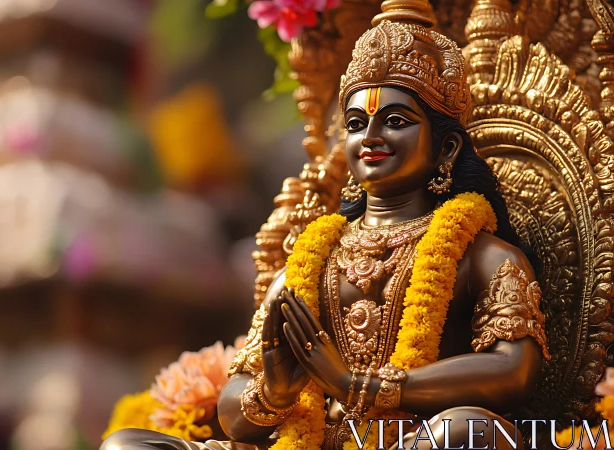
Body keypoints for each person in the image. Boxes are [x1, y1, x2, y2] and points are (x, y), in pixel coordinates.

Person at [101, 2, 549, 449]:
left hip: (409, 440)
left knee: (467, 433)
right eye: (356, 124)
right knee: (128, 446)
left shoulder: (483, 256)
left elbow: (514, 369)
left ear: (446, 149)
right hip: (306, 441)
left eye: (395, 121)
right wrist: (274, 392)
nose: (370, 137)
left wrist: (357, 385)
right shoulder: (308, 264)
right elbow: (234, 413)